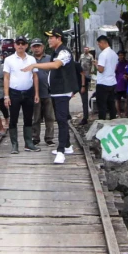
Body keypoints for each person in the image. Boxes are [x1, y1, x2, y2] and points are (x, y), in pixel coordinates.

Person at [22, 28, 79, 164]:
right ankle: (67, 146)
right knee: (60, 119)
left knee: (61, 120)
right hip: (55, 91)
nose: (49, 40)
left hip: (62, 91)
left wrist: (36, 65)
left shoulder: (64, 52)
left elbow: (56, 65)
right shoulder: (56, 52)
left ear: (59, 38)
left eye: (51, 37)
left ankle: (61, 151)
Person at [4, 35, 40, 154]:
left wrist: (36, 93)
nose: (20, 46)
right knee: (13, 119)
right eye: (18, 43)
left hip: (29, 92)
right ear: (14, 45)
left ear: (26, 46)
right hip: (14, 93)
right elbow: (6, 78)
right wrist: (6, 96)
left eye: (22, 43)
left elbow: (35, 76)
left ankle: (29, 143)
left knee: (28, 118)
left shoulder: (31, 59)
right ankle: (14, 144)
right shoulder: (9, 60)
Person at [29, 38, 55, 147]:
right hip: (34, 94)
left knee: (50, 117)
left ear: (43, 47)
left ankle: (49, 138)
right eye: (34, 46)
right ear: (31, 48)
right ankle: (35, 138)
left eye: (38, 46)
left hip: (48, 92)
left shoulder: (50, 58)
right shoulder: (29, 60)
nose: (36, 48)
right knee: (36, 118)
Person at [95, 35, 118, 120]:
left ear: (103, 42)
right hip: (112, 82)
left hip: (103, 83)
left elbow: (101, 69)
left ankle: (102, 122)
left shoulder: (103, 54)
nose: (99, 46)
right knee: (111, 104)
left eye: (99, 44)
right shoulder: (114, 54)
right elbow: (115, 68)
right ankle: (113, 120)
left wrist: (96, 64)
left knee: (102, 106)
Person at [79, 47, 94, 124]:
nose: (85, 50)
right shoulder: (81, 56)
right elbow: (79, 63)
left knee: (84, 99)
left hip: (87, 74)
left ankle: (85, 117)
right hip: (79, 76)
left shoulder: (90, 56)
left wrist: (91, 72)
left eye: (86, 49)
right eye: (84, 49)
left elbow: (92, 64)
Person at [115, 50, 128, 118]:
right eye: (120, 55)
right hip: (118, 84)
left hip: (126, 84)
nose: (121, 56)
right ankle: (119, 114)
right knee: (118, 100)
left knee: (127, 99)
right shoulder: (116, 64)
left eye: (122, 55)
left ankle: (125, 114)